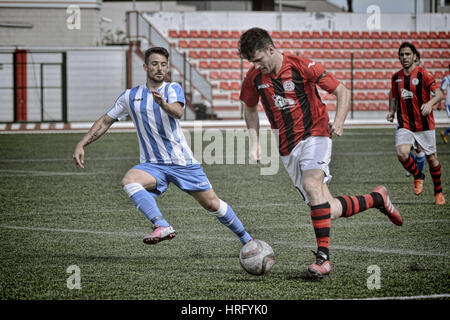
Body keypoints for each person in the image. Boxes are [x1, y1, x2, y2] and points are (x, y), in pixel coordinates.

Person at [238, 27, 403, 279]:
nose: (256, 66)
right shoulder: (254, 78)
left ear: (271, 49)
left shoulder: (302, 66)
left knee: (311, 184)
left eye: (258, 60)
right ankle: (377, 199)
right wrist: (255, 143)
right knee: (328, 208)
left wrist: (338, 121)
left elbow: (342, 91)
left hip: (316, 134)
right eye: (252, 62)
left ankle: (323, 259)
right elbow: (249, 109)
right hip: (287, 146)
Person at [73, 47, 253, 246]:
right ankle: (161, 225)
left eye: (163, 65)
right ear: (145, 66)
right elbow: (106, 121)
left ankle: (247, 239)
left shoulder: (172, 89)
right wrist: (82, 143)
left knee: (212, 204)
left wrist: (163, 105)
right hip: (152, 164)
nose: (159, 68)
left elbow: (178, 112)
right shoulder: (130, 96)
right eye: (155, 64)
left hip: (181, 162)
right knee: (130, 181)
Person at [387, 42, 445, 205]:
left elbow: (439, 94)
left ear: (414, 56)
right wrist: (392, 111)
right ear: (399, 57)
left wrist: (429, 103)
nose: (404, 57)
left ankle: (438, 192)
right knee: (402, 153)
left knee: (432, 159)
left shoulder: (423, 74)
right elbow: (393, 96)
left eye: (407, 54)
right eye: (402, 54)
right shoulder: (396, 77)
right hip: (405, 124)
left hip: (425, 125)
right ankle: (418, 176)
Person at [388, 52, 426, 176]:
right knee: (403, 149)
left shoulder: (423, 77)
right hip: (404, 120)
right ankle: (414, 169)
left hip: (420, 120)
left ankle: (418, 174)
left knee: (419, 149)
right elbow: (392, 94)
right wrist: (392, 111)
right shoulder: (400, 78)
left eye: (417, 62)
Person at [440, 64, 450, 144]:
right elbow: (441, 91)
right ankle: (445, 132)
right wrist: (440, 104)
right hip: (449, 104)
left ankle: (445, 133)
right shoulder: (446, 79)